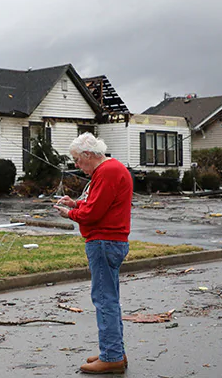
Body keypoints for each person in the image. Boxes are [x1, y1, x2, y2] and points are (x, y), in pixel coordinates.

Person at [54, 132, 132, 374]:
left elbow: (93, 213)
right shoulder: (111, 169)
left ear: (88, 155)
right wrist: (76, 203)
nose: (77, 165)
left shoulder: (107, 172)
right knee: (110, 298)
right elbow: (97, 204)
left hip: (104, 241)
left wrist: (70, 214)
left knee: (104, 299)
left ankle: (112, 356)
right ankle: (114, 351)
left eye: (77, 160)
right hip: (110, 241)